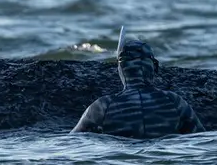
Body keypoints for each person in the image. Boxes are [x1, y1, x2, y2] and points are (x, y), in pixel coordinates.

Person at [73, 35, 204, 140]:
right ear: (154, 67)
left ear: (121, 69)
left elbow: (74, 141)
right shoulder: (174, 101)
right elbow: (200, 139)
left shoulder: (102, 106)